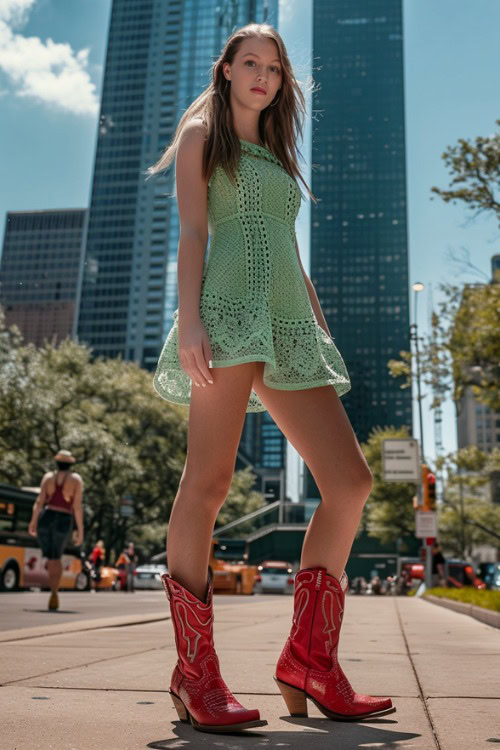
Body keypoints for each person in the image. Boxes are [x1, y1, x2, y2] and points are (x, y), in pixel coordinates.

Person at [147, 23, 395, 734]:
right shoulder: (203, 134)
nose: (262, 76)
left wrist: (315, 322)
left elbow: (285, 245)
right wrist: (189, 322)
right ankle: (196, 677)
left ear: (283, 83)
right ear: (225, 69)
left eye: (274, 68)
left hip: (284, 323)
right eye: (249, 63)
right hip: (224, 319)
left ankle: (311, 663)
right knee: (209, 483)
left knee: (349, 482)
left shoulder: (276, 149)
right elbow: (195, 236)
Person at [28, 449, 84, 611]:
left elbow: (39, 502)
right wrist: (80, 531)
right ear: (70, 464)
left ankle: (52, 589)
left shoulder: (48, 478)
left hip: (46, 517)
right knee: (56, 557)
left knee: (50, 557)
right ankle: (54, 591)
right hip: (64, 518)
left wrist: (33, 522)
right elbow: (77, 507)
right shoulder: (75, 480)